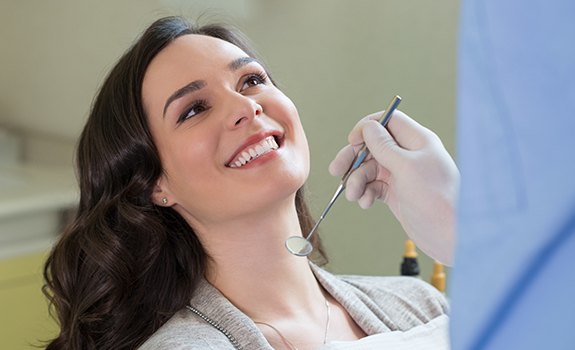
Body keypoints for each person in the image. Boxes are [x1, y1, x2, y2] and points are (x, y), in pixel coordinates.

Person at [43, 16, 459, 350]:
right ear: (155, 184)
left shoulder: (419, 303)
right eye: (194, 110)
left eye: (252, 81)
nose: (246, 107)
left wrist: (459, 233)